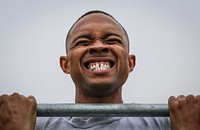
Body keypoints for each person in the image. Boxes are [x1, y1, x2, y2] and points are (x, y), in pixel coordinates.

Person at [0, 10, 200, 130]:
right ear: (66, 64)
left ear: (130, 63)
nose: (98, 46)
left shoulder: (169, 123)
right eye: (83, 42)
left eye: (112, 40)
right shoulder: (29, 124)